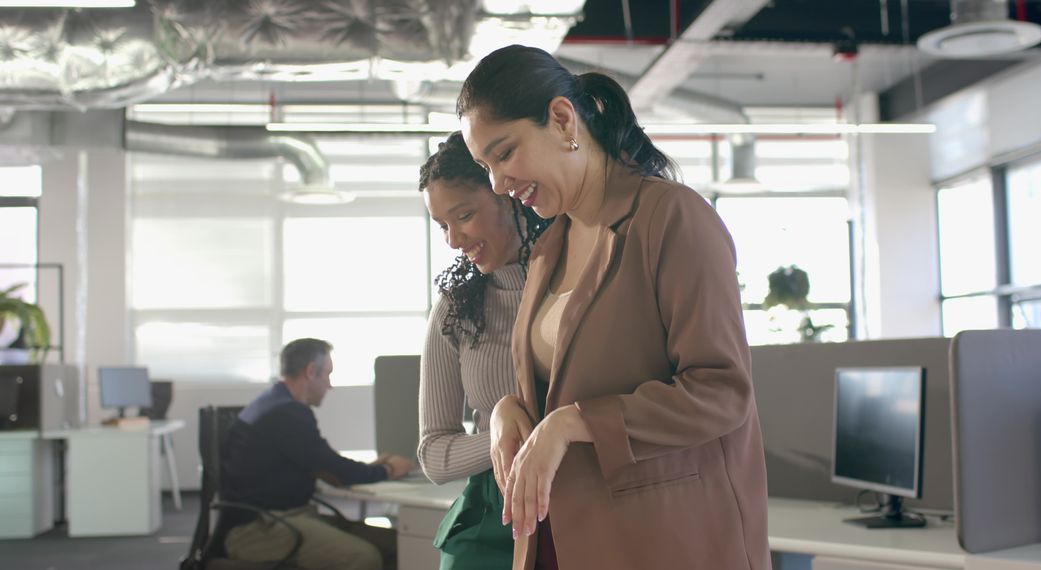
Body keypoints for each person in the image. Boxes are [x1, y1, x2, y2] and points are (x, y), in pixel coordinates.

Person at [457, 45, 772, 570]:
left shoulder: (672, 217)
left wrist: (573, 423)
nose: (498, 184)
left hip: (665, 543)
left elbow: (723, 391)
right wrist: (507, 410)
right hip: (562, 540)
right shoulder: (548, 249)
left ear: (561, 120)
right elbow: (571, 380)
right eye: (485, 166)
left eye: (505, 153)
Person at [418, 131, 550, 569]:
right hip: (490, 518)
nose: (454, 240)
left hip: (581, 508)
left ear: (508, 195)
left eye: (465, 215)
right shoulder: (455, 310)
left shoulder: (575, 283)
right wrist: (501, 436)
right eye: (442, 226)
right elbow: (434, 455)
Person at [221, 337, 415, 570]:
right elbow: (337, 470)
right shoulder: (286, 413)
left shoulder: (274, 403)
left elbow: (324, 465)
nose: (330, 385)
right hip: (257, 529)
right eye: (328, 374)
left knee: (398, 544)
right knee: (362, 557)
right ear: (311, 372)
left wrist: (370, 468)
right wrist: (390, 469)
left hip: (285, 517)